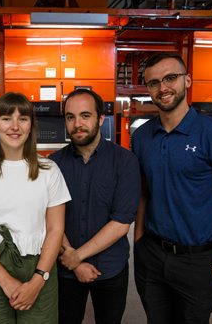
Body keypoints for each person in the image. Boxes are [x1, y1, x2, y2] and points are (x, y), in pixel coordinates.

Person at [131, 52, 212, 324]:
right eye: (153, 83)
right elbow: (143, 192)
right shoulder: (142, 136)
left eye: (170, 78)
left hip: (197, 262)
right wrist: (139, 240)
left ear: (187, 80)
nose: (162, 88)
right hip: (151, 255)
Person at [0, 92, 71, 323]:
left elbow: (55, 230)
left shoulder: (50, 170)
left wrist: (38, 279)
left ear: (31, 126)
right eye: (7, 118)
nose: (15, 126)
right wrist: (6, 281)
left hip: (39, 266)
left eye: (23, 118)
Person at [49, 89, 140, 324]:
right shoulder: (53, 165)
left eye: (85, 115)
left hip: (110, 268)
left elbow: (121, 223)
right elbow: (48, 219)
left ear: (100, 119)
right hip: (65, 268)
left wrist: (76, 257)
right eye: (70, 117)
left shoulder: (125, 161)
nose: (77, 124)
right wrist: (72, 260)